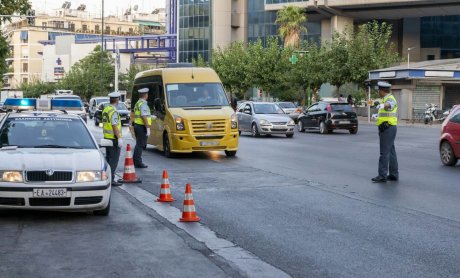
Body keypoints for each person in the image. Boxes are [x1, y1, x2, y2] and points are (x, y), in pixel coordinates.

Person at [372, 81, 399, 183]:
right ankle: (393, 174)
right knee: (391, 152)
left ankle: (382, 175)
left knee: (384, 153)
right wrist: (377, 116)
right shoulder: (384, 99)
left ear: (382, 90)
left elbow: (389, 105)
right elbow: (386, 114)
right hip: (388, 127)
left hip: (387, 129)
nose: (378, 92)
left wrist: (383, 105)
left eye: (379, 90)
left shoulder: (390, 99)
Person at [102, 92, 123, 187]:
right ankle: (111, 179)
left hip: (107, 137)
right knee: (113, 160)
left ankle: (107, 177)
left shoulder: (106, 109)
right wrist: (119, 138)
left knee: (108, 159)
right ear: (117, 100)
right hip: (113, 139)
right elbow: (115, 126)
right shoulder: (113, 111)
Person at [133, 88, 151, 168]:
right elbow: (143, 116)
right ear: (146, 95)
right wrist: (148, 128)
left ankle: (135, 161)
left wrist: (150, 117)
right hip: (141, 126)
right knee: (140, 145)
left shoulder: (138, 103)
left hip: (137, 125)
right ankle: (138, 162)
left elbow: (141, 115)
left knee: (138, 144)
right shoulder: (143, 104)